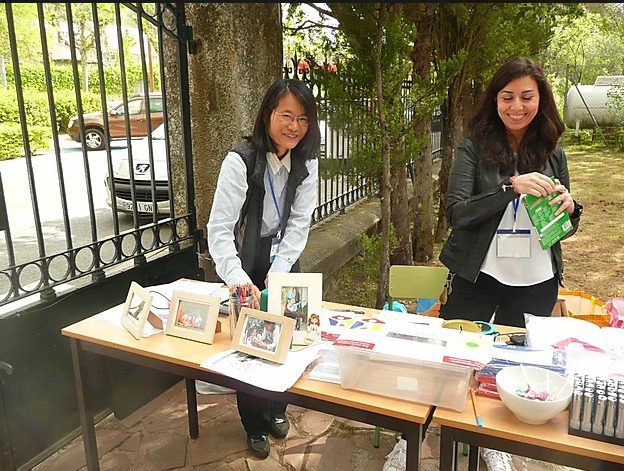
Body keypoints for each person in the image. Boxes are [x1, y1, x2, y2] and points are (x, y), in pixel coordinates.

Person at [207, 77, 320, 459]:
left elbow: (301, 222)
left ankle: (276, 409)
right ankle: (253, 423)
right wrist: (238, 278)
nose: (294, 127)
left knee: (290, 338)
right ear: (267, 114)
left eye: (303, 119)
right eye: (286, 115)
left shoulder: (306, 163)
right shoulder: (240, 160)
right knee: (251, 347)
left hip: (286, 256)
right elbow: (219, 229)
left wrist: (284, 268)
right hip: (248, 259)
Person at [439, 57, 583, 329]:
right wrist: (510, 188)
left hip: (537, 282)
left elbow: (561, 230)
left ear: (541, 101)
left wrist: (572, 211)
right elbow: (456, 214)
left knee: (519, 360)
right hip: (478, 277)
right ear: (495, 101)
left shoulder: (554, 154)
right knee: (462, 354)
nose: (517, 106)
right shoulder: (473, 149)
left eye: (527, 97)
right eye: (508, 97)